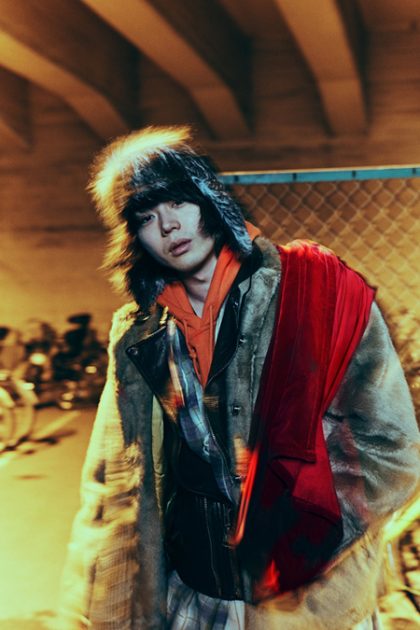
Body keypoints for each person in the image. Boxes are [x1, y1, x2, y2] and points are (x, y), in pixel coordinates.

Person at [57, 126, 419, 630]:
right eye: (145, 216)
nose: (168, 225)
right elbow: (114, 485)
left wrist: (304, 539)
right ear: (132, 236)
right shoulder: (138, 333)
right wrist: (100, 612)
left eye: (177, 201)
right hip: (191, 598)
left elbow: (394, 449)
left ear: (208, 198)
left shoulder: (316, 295)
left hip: (308, 603)